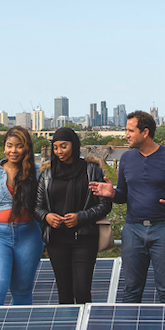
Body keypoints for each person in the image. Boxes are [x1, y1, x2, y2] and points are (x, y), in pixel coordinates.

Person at [91, 111, 165, 303]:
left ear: (145, 132)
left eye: (130, 130)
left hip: (164, 229)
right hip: (133, 230)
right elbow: (123, 195)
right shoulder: (127, 159)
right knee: (131, 290)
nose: (126, 135)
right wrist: (112, 193)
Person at [34, 127, 112, 304]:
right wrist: (47, 217)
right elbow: (37, 207)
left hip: (84, 239)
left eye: (63, 146)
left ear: (74, 145)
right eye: (55, 147)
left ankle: (86, 329)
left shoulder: (92, 171)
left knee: (82, 291)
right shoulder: (47, 174)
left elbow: (105, 205)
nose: (59, 151)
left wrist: (80, 217)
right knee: (64, 293)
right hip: (56, 240)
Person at [0, 126, 42, 305]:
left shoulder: (38, 173)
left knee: (23, 290)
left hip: (29, 235)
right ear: (4, 147)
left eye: (19, 146)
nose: (13, 150)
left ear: (27, 148)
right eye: (9, 145)